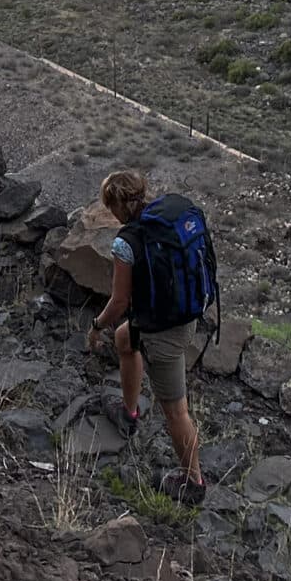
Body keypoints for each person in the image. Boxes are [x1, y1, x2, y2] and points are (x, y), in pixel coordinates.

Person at [87, 168, 218, 505]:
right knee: (124, 340)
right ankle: (129, 413)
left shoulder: (126, 243)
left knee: (175, 411)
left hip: (164, 333)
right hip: (182, 315)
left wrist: (96, 325)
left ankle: (194, 482)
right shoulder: (165, 216)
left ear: (116, 207)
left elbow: (119, 302)